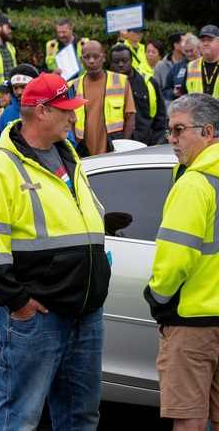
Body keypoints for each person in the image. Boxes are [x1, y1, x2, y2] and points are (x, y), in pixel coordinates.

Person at [0, 73, 111, 430]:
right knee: (19, 415)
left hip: (83, 311)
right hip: (35, 316)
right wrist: (18, 302)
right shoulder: (0, 167)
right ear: (43, 112)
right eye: (67, 111)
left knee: (80, 416)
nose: (74, 118)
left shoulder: (70, 158)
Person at [144, 93, 219, 431]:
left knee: (189, 417)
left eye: (178, 130)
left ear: (207, 131)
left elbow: (175, 259)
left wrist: (157, 298)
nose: (172, 140)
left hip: (193, 323)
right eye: (169, 132)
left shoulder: (195, 183)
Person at [70, 40, 135, 156]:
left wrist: (123, 147)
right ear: (81, 60)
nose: (91, 61)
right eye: (86, 57)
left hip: (114, 150)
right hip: (83, 152)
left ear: (103, 58)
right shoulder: (72, 86)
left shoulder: (121, 81)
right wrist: (75, 149)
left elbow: (130, 116)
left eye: (96, 56)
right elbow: (68, 121)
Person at [109, 43, 167, 146]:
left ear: (131, 61)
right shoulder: (107, 86)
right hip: (116, 145)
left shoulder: (148, 83)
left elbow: (160, 117)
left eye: (125, 60)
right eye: (116, 61)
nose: (121, 64)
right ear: (111, 64)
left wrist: (154, 144)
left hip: (147, 143)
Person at [0, 63, 40, 145]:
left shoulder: (46, 111)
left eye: (23, 87)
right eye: (15, 88)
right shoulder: (7, 113)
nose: (19, 92)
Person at [180, 25, 219, 98]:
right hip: (196, 109)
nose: (205, 43)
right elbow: (184, 98)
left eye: (210, 40)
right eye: (203, 40)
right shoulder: (191, 66)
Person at [163, 35, 200, 107]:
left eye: (191, 51)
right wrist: (173, 93)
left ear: (198, 48)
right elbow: (165, 91)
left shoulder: (206, 64)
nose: (189, 54)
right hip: (183, 109)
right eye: (186, 51)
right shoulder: (177, 67)